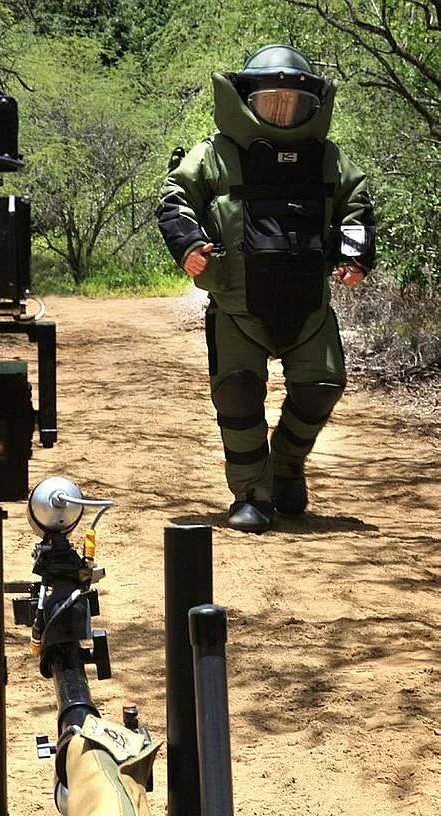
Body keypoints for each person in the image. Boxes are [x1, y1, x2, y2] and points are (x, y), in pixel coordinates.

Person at [157, 44, 375, 533]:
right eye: (270, 100)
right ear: (245, 100)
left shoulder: (329, 159)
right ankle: (252, 494)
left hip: (309, 306)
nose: (281, 110)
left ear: (311, 105)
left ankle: (286, 468)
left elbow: (355, 203)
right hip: (237, 305)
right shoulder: (215, 154)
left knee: (321, 387)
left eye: (292, 102)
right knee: (237, 394)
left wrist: (356, 256)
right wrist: (188, 245)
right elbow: (175, 198)